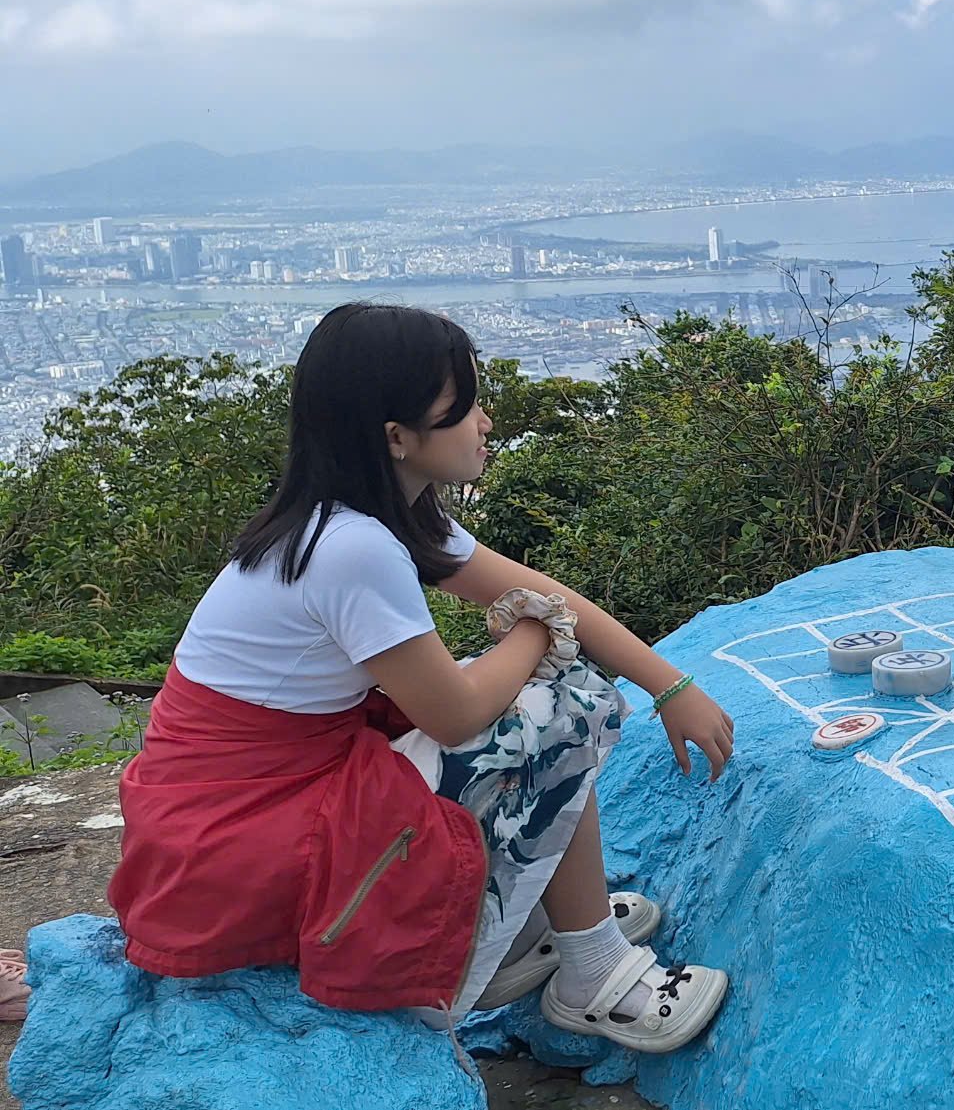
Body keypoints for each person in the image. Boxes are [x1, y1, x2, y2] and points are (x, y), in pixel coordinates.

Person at [108, 303, 734, 1052]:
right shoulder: (352, 547)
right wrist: (536, 629)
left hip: (235, 823)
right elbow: (458, 714)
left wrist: (671, 686)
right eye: (462, 407)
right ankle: (592, 974)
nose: (486, 422)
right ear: (397, 437)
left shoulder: (364, 518)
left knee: (538, 695)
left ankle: (536, 924)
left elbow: (543, 596)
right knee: (565, 705)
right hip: (244, 851)